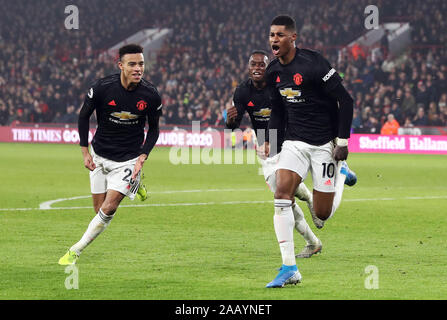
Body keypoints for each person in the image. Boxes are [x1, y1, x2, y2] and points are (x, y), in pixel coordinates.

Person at [261, 15, 356, 288]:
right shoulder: (273, 72)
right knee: (281, 194)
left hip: (325, 144)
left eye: (279, 35)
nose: (274, 40)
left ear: (293, 38)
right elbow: (278, 110)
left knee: (323, 214)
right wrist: (273, 143)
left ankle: (341, 175)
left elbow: (345, 100)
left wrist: (343, 142)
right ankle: (290, 268)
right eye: (271, 35)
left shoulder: (314, 63)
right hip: (295, 142)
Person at [58, 44, 162, 265]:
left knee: (109, 208)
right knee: (98, 211)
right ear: (121, 65)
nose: (138, 68)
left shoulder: (151, 95)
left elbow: (154, 129)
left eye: (141, 64)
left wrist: (143, 156)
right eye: (132, 64)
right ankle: (137, 185)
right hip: (99, 155)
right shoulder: (102, 88)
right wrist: (85, 151)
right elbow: (83, 116)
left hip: (129, 159)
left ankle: (75, 250)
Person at [226, 50, 323, 260]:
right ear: (248, 67)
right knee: (286, 197)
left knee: (283, 198)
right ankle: (312, 232)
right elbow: (234, 126)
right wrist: (230, 120)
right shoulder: (242, 91)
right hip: (266, 149)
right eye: (254, 64)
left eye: (262, 65)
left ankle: (311, 239)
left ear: (268, 67)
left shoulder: (279, 85)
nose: (257, 68)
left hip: (289, 141)